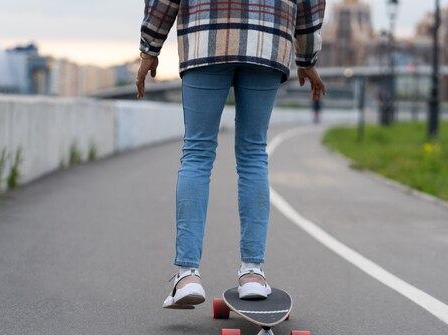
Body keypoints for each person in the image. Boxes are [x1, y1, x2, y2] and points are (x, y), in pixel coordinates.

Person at [136, 0, 326, 309]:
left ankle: (187, 276)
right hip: (268, 37)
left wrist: (150, 47)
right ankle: (252, 273)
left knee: (197, 153)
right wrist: (307, 57)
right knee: (253, 154)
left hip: (206, 34)